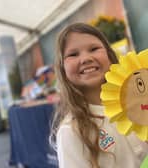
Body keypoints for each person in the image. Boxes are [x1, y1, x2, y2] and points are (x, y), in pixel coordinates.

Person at [50, 23, 148, 168]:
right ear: (62, 69)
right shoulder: (71, 131)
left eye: (94, 49)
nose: (85, 58)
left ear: (109, 55)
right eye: (73, 54)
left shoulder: (138, 100)